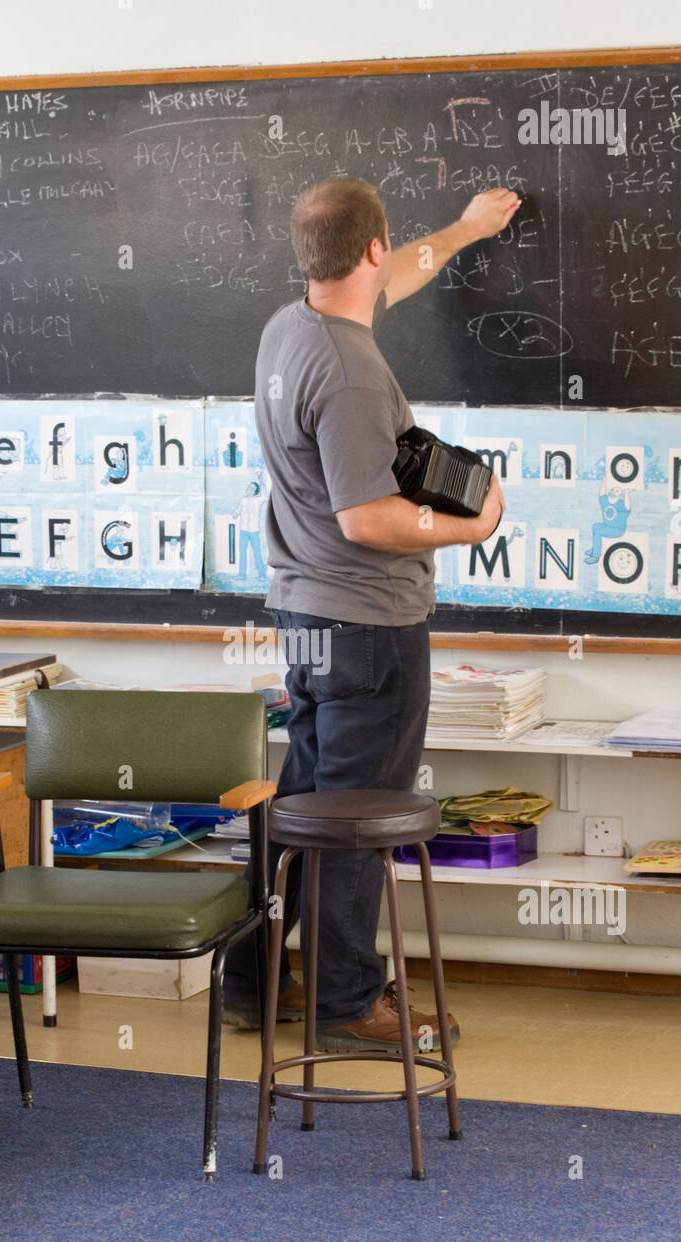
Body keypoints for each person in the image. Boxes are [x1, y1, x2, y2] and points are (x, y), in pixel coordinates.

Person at [223, 177, 517, 1052]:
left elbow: (398, 276)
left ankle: (257, 980)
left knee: (307, 803)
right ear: (373, 247)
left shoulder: (293, 327)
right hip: (369, 629)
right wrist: (477, 522)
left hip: (307, 620)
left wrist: (465, 230)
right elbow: (367, 518)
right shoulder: (350, 370)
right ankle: (349, 1004)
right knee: (356, 821)